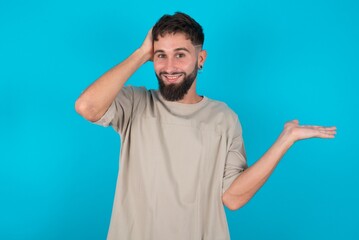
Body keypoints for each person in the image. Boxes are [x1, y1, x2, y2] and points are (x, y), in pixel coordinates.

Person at [75, 12, 336, 240]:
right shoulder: (135, 103)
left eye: (180, 55)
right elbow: (87, 107)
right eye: (160, 56)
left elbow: (233, 198)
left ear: (200, 59)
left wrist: (285, 140)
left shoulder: (224, 118)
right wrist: (142, 52)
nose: (169, 67)